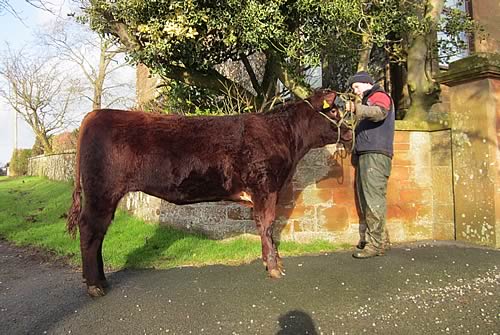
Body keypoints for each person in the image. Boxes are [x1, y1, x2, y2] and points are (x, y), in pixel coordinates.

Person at [345, 71, 395, 259]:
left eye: (356, 87)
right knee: (368, 199)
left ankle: (375, 245)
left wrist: (357, 109)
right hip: (368, 154)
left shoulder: (379, 96)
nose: (356, 92)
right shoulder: (369, 99)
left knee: (373, 199)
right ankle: (380, 240)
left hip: (375, 155)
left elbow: (379, 113)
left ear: (366, 83)